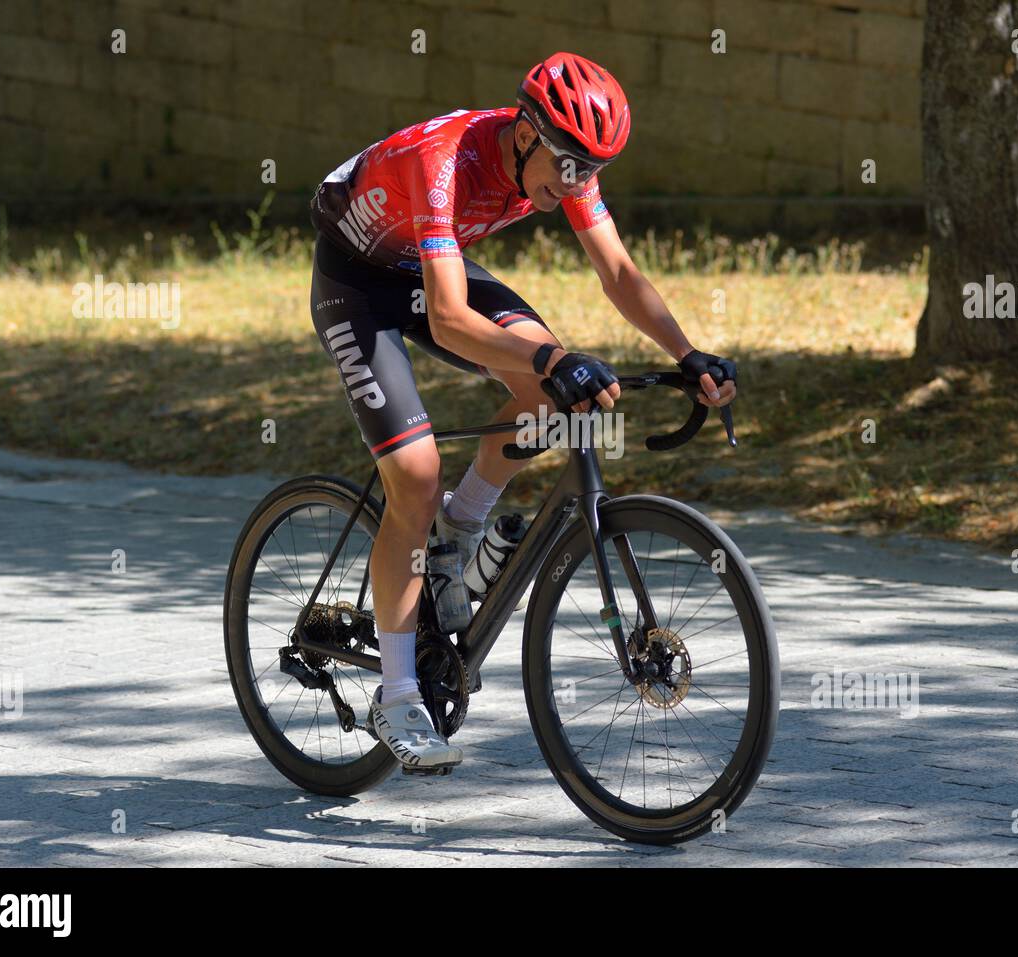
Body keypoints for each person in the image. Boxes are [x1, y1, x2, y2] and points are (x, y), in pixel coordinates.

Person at [308, 52, 737, 772]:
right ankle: (398, 691)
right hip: (358, 281)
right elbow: (447, 320)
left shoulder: (567, 166)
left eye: (589, 169)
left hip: (422, 264)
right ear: (527, 133)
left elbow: (620, 273)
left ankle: (459, 528)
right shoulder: (442, 158)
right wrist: (546, 358)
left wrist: (688, 352)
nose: (573, 182)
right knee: (414, 472)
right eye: (565, 162)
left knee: (555, 395)